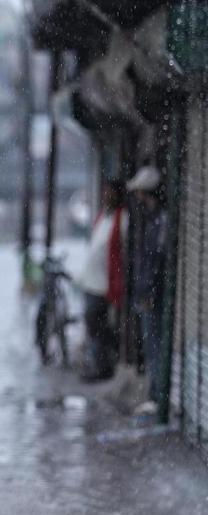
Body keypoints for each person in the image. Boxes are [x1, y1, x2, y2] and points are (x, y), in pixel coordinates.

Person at [77, 177, 128, 383]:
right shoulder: (102, 217)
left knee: (96, 322)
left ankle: (102, 366)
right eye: (105, 192)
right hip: (91, 281)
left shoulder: (122, 218)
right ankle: (99, 363)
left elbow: (121, 250)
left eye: (110, 192)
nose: (106, 196)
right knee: (93, 324)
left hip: (104, 283)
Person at [126, 166, 167, 412]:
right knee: (152, 343)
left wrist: (148, 293)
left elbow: (156, 260)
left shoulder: (159, 220)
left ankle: (157, 396)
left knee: (154, 344)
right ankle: (155, 395)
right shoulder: (155, 219)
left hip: (152, 295)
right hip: (148, 292)